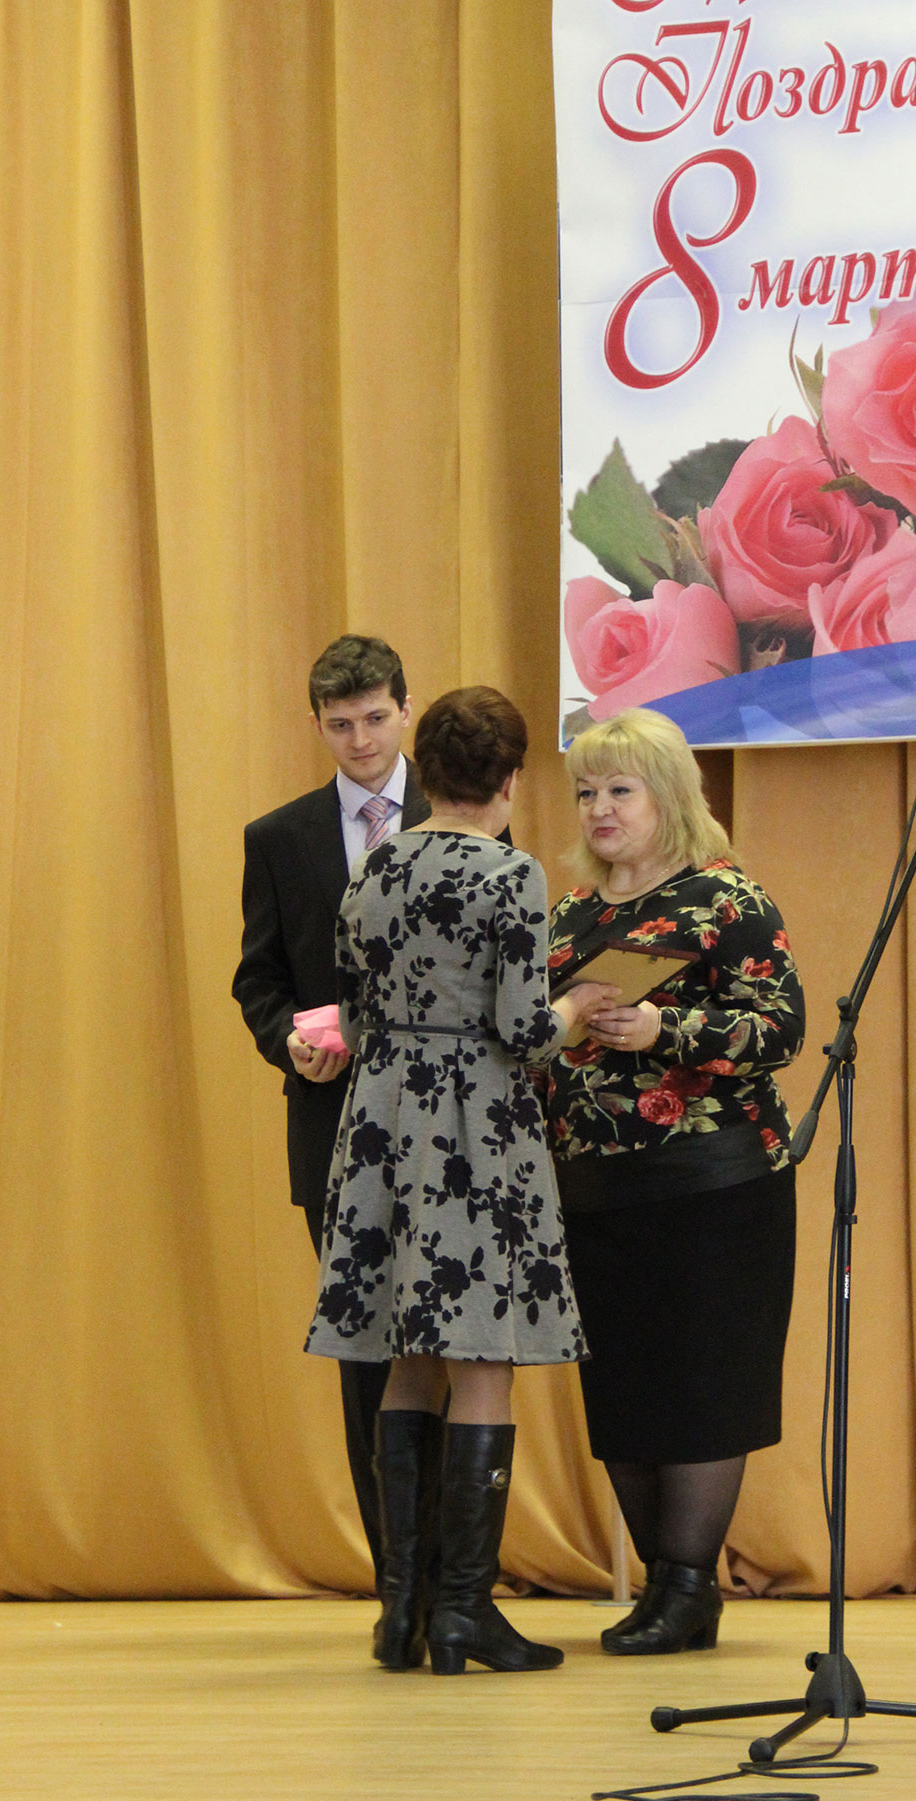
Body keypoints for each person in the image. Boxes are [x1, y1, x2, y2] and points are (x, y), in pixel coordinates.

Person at [304, 687, 616, 1675]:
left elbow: (353, 1012)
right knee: (482, 1359)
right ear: (511, 778)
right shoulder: (511, 873)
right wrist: (579, 1006)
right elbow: (522, 1029)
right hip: (474, 1125)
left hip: (383, 1119)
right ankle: (466, 1611)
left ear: (428, 772)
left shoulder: (374, 865)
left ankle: (401, 1611)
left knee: (406, 1355)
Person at [545, 707, 806, 1655]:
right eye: (587, 791)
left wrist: (669, 1031)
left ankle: (689, 1587)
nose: (600, 808)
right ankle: (665, 1587)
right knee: (624, 1388)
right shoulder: (572, 912)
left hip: (713, 1184)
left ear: (668, 795)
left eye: (621, 789)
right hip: (594, 1189)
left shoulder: (728, 900)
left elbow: (780, 1028)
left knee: (701, 1384)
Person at [232, 635, 429, 1577]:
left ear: (406, 709)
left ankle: (454, 1569)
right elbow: (259, 979)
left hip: (448, 1127)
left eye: (376, 718)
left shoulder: (462, 816)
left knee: (452, 1345)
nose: (361, 740)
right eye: (341, 724)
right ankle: (396, 1572)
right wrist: (289, 1042)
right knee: (367, 1351)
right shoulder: (279, 838)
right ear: (316, 724)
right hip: (334, 1123)